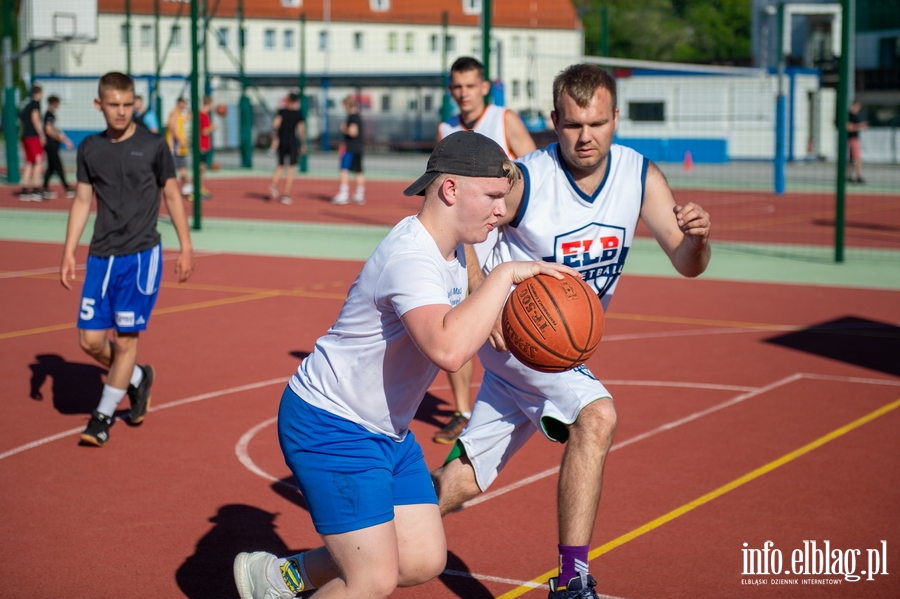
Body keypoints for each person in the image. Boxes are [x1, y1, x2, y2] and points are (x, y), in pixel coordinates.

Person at [232, 131, 578, 599]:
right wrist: (504, 276)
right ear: (450, 190)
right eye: (493, 197)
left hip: (386, 431)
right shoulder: (410, 257)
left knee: (421, 559)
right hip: (331, 425)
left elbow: (468, 325)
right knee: (371, 579)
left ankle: (275, 579)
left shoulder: (455, 250)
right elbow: (449, 350)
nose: (503, 209)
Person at [431, 63, 711, 599]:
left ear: (616, 119)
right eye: (574, 124)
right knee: (596, 415)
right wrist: (475, 289)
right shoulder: (527, 178)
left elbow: (687, 261)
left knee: (457, 484)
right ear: (555, 120)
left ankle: (331, 552)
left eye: (598, 124)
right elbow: (461, 217)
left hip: (549, 345)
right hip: (522, 336)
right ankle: (571, 581)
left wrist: (697, 239)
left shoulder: (638, 176)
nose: (586, 136)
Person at [59, 72, 195, 447]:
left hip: (140, 257)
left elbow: (172, 195)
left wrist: (186, 246)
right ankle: (137, 378)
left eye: (127, 104)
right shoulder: (89, 148)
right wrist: (69, 250)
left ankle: (101, 418)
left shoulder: (153, 146)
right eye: (113, 105)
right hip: (101, 256)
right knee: (89, 341)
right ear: (98, 105)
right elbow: (83, 200)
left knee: (124, 342)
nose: (121, 112)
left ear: (135, 103)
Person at [432, 55, 538, 445]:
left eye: (469, 85)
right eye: (456, 87)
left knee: (520, 329)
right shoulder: (446, 129)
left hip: (505, 245)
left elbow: (535, 173)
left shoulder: (504, 119)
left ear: (484, 87)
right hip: (463, 246)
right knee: (457, 325)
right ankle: (462, 412)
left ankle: (535, 398)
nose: (463, 93)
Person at [268, 92, 307, 205]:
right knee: (291, 169)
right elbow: (301, 130)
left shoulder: (281, 112)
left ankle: (274, 184)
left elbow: (275, 124)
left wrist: (275, 137)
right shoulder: (298, 114)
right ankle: (286, 194)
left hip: (282, 141)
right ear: (296, 102)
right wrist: (303, 144)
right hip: (292, 142)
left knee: (280, 166)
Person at [331, 95, 365, 205]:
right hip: (358, 147)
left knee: (344, 170)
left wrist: (344, 128)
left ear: (347, 105)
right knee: (358, 171)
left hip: (350, 148)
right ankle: (359, 195)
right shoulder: (358, 116)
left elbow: (353, 132)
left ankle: (343, 194)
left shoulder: (352, 117)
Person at [41, 95, 76, 200]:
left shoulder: (50, 115)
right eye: (57, 103)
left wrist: (64, 138)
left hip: (53, 144)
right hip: (51, 145)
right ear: (53, 103)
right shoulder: (49, 115)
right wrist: (59, 138)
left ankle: (44, 187)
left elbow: (53, 129)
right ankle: (67, 188)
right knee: (58, 166)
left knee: (51, 168)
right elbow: (48, 130)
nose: (58, 106)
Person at [18, 85, 46, 201]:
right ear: (39, 93)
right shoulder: (35, 104)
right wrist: (41, 134)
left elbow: (21, 119)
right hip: (33, 137)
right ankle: (36, 188)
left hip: (25, 136)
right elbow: (35, 118)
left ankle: (25, 189)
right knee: (38, 162)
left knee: (29, 162)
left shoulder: (26, 105)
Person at [166, 97, 192, 195]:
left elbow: (190, 117)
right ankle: (175, 191)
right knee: (175, 171)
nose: (184, 105)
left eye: (185, 104)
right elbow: (172, 128)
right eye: (183, 103)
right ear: (178, 103)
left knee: (183, 170)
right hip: (175, 147)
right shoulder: (174, 114)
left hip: (181, 148)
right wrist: (180, 140)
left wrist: (189, 107)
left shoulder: (181, 114)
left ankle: (188, 188)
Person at [198, 96, 216, 200]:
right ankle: (199, 188)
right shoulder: (203, 115)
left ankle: (201, 187)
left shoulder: (202, 114)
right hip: (202, 144)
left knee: (203, 167)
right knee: (201, 168)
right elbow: (204, 131)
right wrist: (212, 127)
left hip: (203, 144)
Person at [847, 99, 868, 184]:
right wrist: (859, 126)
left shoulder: (856, 115)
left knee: (852, 159)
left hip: (855, 138)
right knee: (858, 159)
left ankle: (849, 176)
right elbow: (849, 128)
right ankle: (858, 176)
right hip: (852, 139)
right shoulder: (849, 115)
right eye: (857, 106)